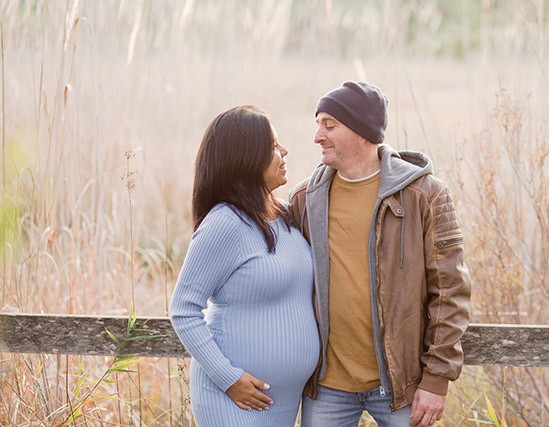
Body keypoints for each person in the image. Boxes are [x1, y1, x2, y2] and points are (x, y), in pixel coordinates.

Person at [289, 81, 471, 427]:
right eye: (318, 124)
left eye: (329, 125)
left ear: (362, 132)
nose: (317, 136)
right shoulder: (305, 199)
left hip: (401, 387)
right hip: (326, 387)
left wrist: (436, 380)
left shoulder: (424, 195)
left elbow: (450, 293)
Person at [170, 105, 319, 427]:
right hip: (235, 401)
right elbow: (183, 310)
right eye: (273, 147)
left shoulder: (283, 213)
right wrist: (228, 379)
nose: (285, 151)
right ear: (246, 158)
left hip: (282, 400)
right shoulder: (226, 223)